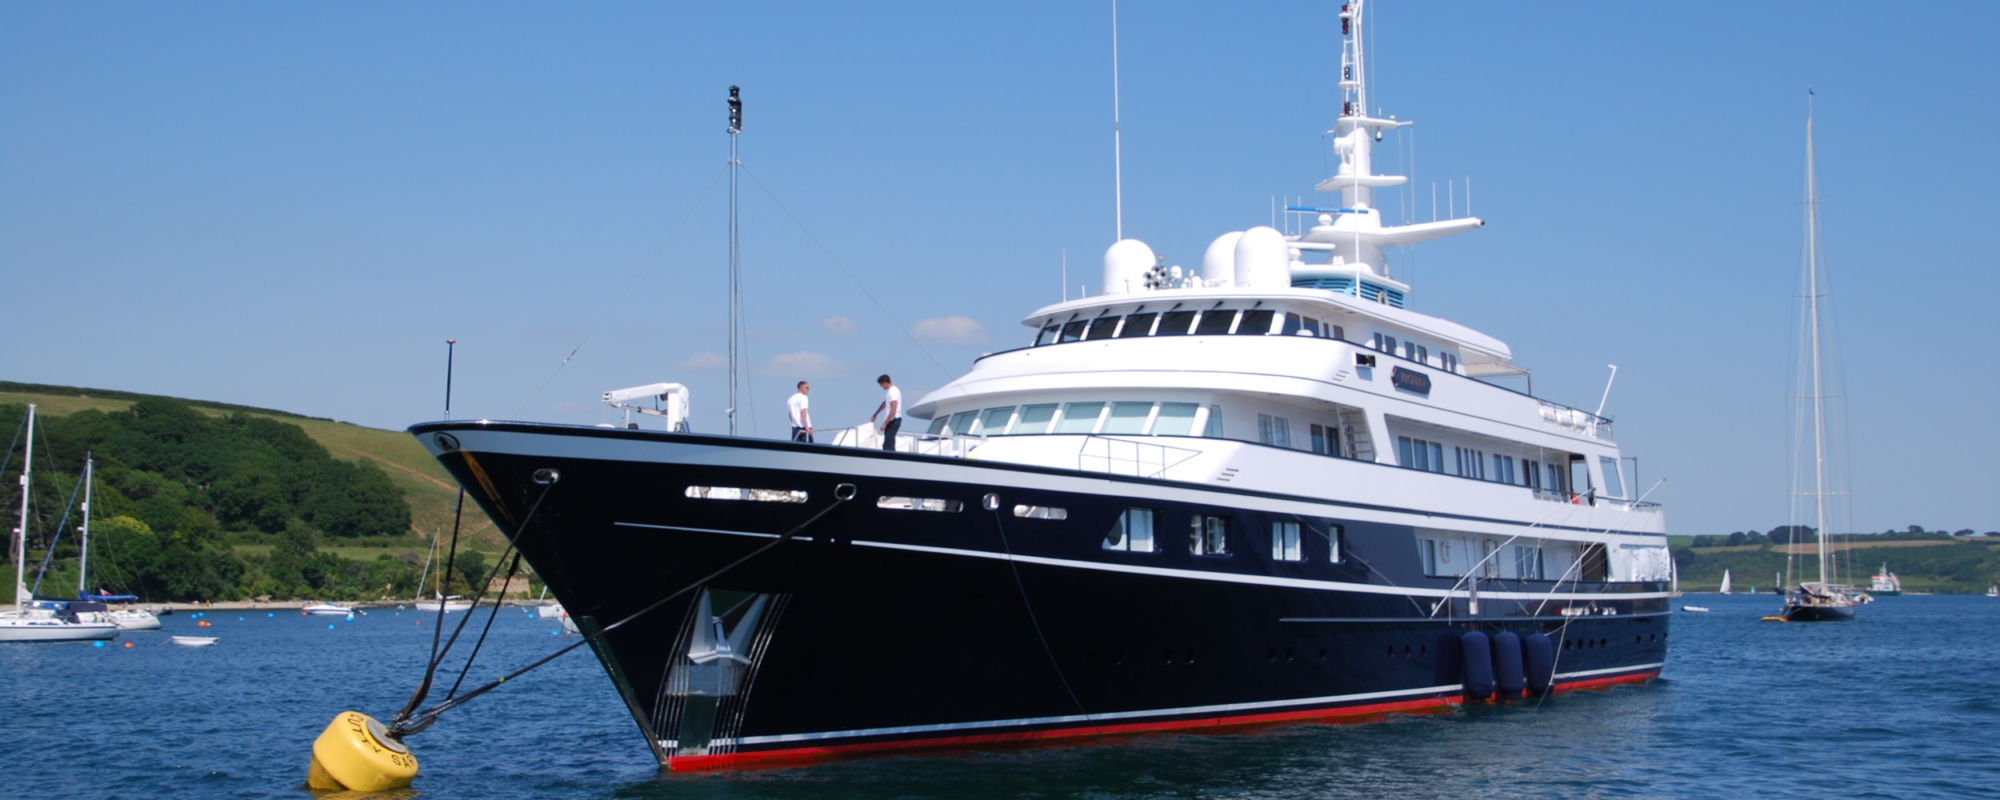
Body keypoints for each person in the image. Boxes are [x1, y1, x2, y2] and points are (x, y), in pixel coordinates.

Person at [870, 374, 902, 451]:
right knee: (887, 444)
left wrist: (885, 424)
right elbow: (885, 404)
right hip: (891, 420)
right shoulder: (890, 391)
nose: (881, 387)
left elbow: (893, 409)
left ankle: (891, 457)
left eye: (881, 385)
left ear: (884, 382)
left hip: (894, 420)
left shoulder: (893, 392)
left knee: (888, 444)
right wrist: (875, 414)